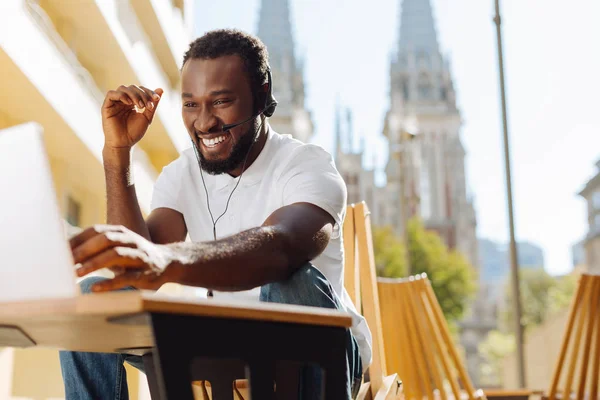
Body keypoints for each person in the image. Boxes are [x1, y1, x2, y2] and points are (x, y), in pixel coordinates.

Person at [60, 29, 372, 399]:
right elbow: (135, 273)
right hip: (221, 347)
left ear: (262, 93)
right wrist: (117, 152)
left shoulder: (308, 165)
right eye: (191, 104)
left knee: (293, 280)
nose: (204, 122)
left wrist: (168, 258)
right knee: (93, 297)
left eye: (221, 102)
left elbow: (283, 247)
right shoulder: (182, 172)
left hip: (321, 359)